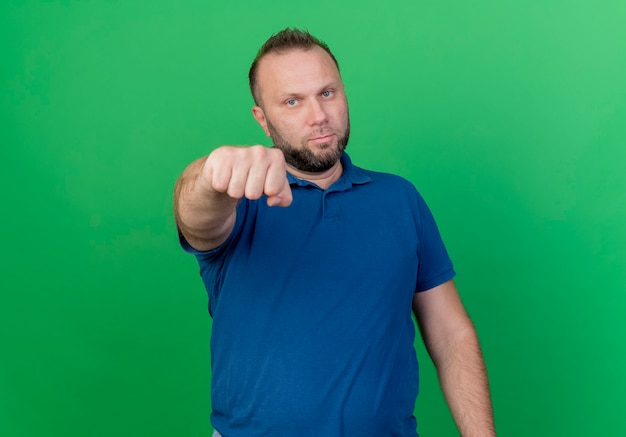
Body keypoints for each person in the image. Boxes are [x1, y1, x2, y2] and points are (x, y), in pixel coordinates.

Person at [174, 28, 495, 437]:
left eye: (327, 93)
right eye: (292, 101)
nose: (318, 115)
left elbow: (451, 334)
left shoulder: (400, 199)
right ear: (263, 119)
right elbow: (194, 215)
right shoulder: (239, 201)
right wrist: (209, 173)